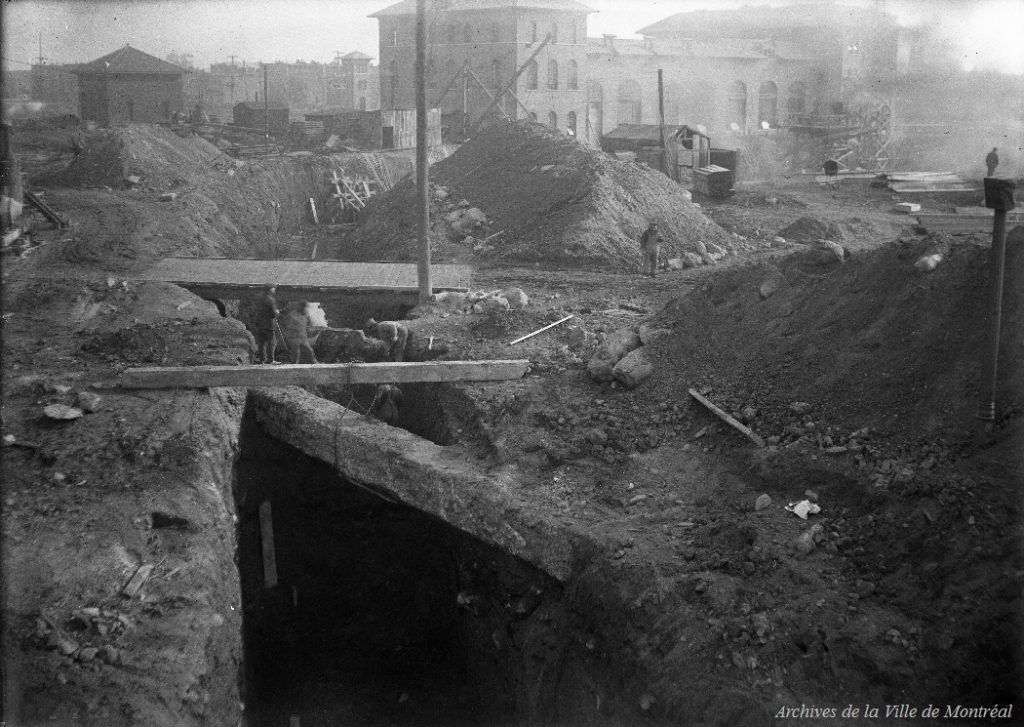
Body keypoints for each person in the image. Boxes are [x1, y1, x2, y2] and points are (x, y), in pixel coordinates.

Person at [253, 284, 280, 364]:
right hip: (269, 325)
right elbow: (273, 314)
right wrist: (277, 312)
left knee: (262, 343)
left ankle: (262, 360)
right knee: (272, 343)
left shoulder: (259, 299)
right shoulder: (270, 299)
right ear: (270, 289)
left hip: (260, 324)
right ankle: (271, 360)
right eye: (274, 288)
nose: (275, 289)